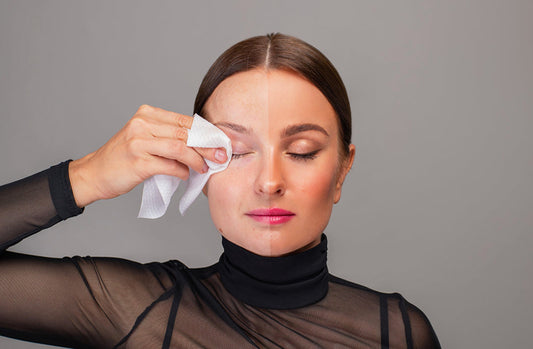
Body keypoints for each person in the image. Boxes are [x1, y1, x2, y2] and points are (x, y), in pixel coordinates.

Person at [0, 33, 441, 348]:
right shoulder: (138, 309)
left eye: (302, 151)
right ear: (199, 170)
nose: (269, 182)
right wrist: (88, 176)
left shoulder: (398, 333)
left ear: (342, 170)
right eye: (235, 152)